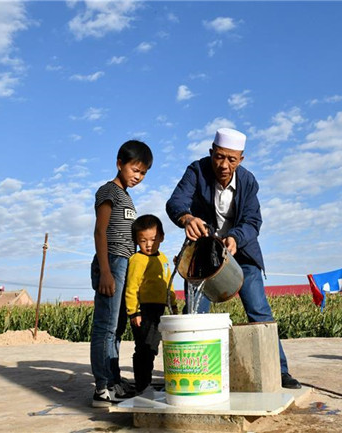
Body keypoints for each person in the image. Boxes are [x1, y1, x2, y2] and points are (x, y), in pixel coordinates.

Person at [165, 127, 302, 389]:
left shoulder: (248, 182)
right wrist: (187, 218)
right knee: (194, 314)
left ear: (241, 159)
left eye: (231, 159)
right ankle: (194, 375)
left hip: (242, 254)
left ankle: (280, 370)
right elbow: (175, 202)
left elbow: (253, 221)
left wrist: (236, 238)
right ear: (211, 153)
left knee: (259, 312)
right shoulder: (196, 171)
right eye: (219, 157)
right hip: (204, 256)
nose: (224, 165)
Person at [90, 140, 152, 408]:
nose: (138, 176)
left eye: (143, 173)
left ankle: (113, 380)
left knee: (116, 327)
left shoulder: (127, 197)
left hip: (124, 263)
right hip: (111, 261)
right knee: (105, 326)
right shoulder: (109, 191)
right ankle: (102, 388)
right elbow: (100, 231)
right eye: (134, 170)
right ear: (119, 164)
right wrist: (106, 271)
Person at [125, 214, 178, 394]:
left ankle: (146, 383)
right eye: (143, 240)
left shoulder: (163, 258)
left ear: (162, 237)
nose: (149, 244)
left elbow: (167, 282)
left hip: (159, 309)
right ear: (136, 240)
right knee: (145, 348)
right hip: (144, 311)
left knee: (154, 347)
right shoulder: (137, 260)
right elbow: (131, 287)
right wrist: (134, 312)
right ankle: (142, 385)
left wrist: (173, 305)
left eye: (153, 239)